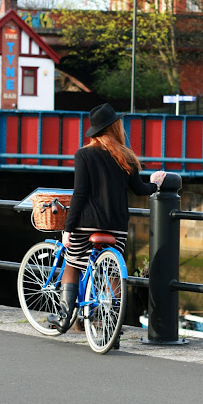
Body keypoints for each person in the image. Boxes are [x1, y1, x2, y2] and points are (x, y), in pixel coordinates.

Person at [48, 103, 166, 333]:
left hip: (87, 225)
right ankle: (113, 323)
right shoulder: (126, 157)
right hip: (117, 227)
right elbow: (140, 189)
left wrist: (68, 229)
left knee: (72, 264)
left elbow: (80, 194)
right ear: (115, 127)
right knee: (111, 271)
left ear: (95, 131)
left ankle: (63, 318)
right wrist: (156, 183)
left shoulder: (84, 155)